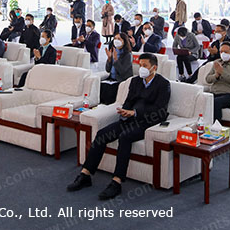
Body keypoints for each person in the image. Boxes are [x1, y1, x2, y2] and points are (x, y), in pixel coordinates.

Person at [67, 53, 170, 200]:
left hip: (148, 122)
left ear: (154, 67)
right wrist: (124, 111)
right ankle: (85, 174)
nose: (141, 68)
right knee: (102, 134)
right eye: (140, 65)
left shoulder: (163, 84)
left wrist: (135, 113)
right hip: (129, 119)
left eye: (145, 66)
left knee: (125, 137)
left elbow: (159, 109)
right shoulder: (135, 81)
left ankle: (117, 182)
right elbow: (128, 101)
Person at [204, 41, 230, 122]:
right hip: (214, 92)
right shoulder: (217, 62)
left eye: (226, 52)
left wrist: (222, 72)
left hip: (229, 94)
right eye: (221, 52)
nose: (223, 54)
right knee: (201, 98)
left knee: (215, 102)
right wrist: (216, 75)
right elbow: (207, 79)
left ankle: (216, 126)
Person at [100, 32, 133, 104]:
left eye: (119, 39)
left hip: (121, 80)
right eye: (115, 38)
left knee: (110, 90)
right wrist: (109, 58)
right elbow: (108, 70)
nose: (116, 40)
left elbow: (122, 71)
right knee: (102, 86)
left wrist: (115, 60)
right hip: (111, 79)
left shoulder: (128, 54)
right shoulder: (114, 51)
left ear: (124, 41)